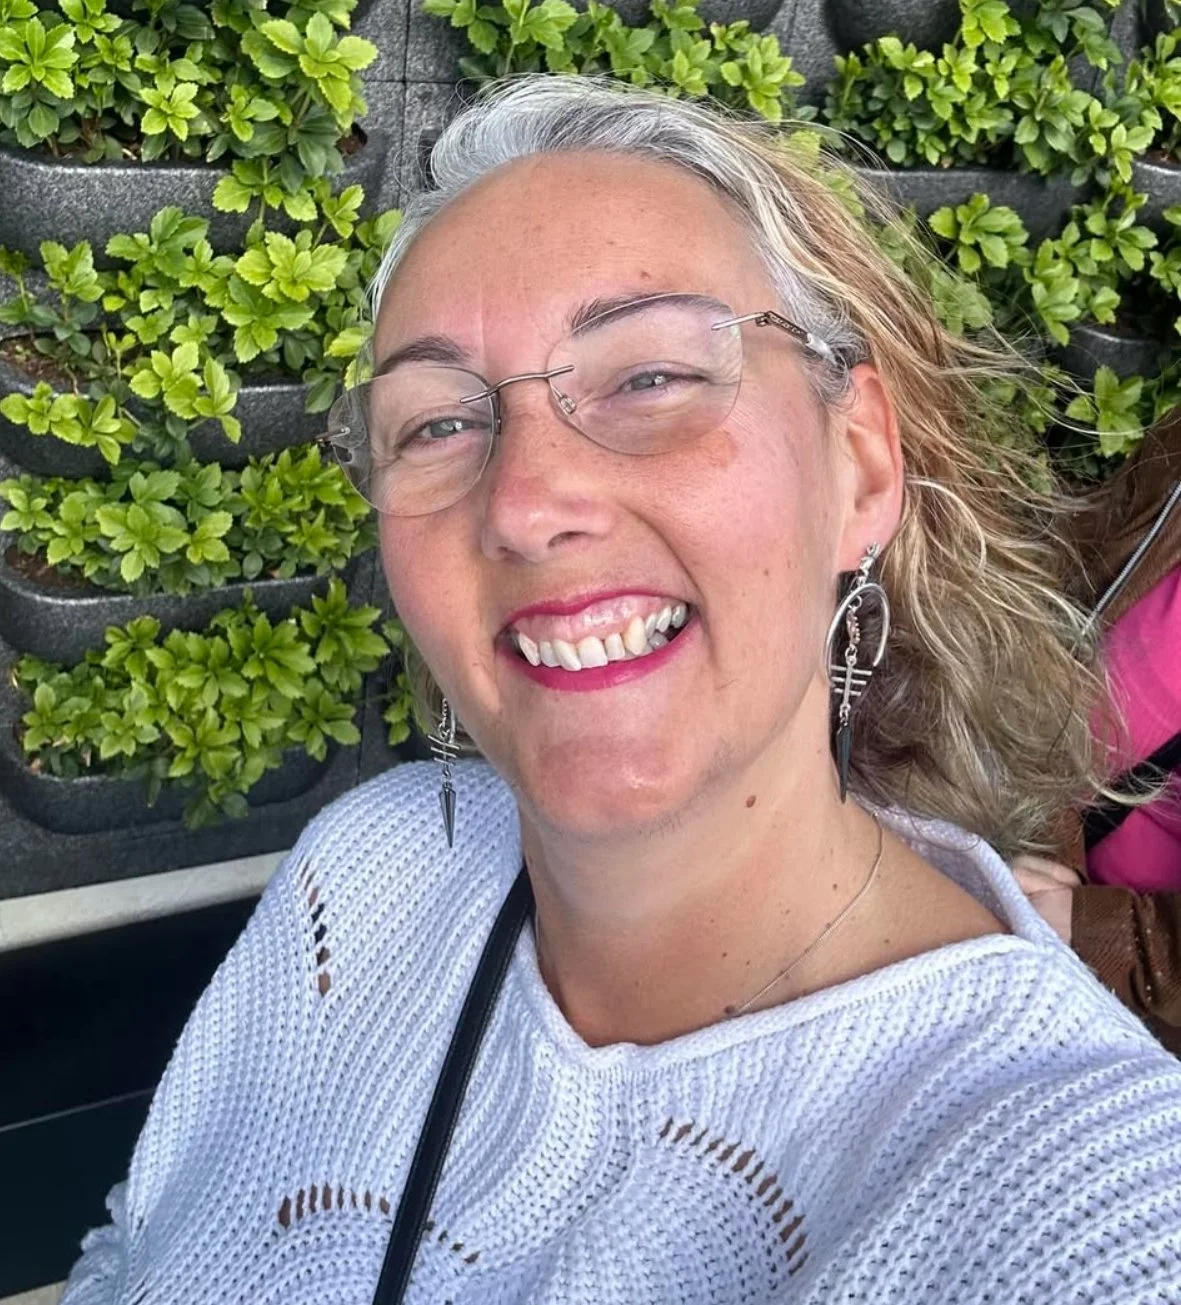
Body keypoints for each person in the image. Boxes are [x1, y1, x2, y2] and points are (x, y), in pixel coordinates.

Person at [61, 76, 1181, 1305]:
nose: (527, 504)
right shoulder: (365, 870)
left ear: (857, 467)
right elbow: (138, 1249)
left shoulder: (1078, 1186)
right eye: (436, 423)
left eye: (647, 376)